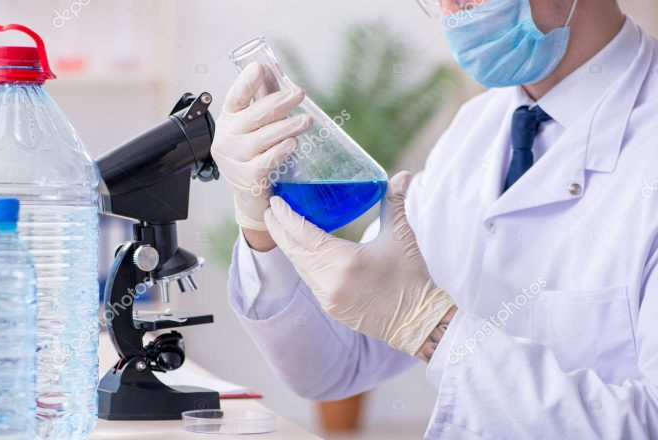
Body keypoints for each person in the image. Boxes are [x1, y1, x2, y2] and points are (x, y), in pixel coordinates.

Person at [211, 0, 658, 438]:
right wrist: (260, 226)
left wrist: (432, 328)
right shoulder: (475, 129)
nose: (451, 11)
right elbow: (333, 367)